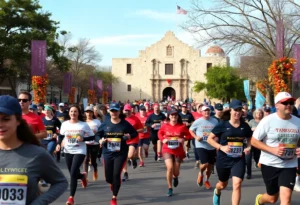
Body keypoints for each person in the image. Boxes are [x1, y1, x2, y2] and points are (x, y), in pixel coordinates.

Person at [0, 95, 68, 204]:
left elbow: (60, 182)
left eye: (6, 119)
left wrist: (39, 203)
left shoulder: (37, 154)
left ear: (18, 121)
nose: (1, 124)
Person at [251, 92, 300, 205]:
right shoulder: (268, 121)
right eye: (285, 103)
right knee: (272, 198)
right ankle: (260, 200)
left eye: (291, 102)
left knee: (286, 199)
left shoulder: (298, 122)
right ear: (277, 105)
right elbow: (254, 141)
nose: (288, 105)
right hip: (270, 164)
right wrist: (272, 150)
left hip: (289, 165)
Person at [207, 100, 252, 205]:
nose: (237, 112)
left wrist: (248, 147)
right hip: (223, 159)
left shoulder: (245, 126)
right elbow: (210, 139)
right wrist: (221, 147)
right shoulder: (222, 125)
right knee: (223, 184)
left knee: (237, 184)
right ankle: (217, 191)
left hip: (238, 159)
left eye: (239, 110)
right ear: (230, 111)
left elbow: (250, 138)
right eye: (235, 110)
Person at [96, 103, 138, 205]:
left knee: (116, 174)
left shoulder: (124, 124)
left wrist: (128, 137)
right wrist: (100, 140)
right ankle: (113, 184)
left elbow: (135, 133)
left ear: (119, 112)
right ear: (109, 112)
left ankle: (114, 197)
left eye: (116, 111)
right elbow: (97, 135)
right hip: (107, 152)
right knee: (108, 178)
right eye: (112, 111)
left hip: (121, 152)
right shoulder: (105, 123)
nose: (114, 113)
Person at [56, 105, 95, 205]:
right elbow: (61, 136)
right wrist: (58, 144)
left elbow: (92, 137)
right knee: (73, 173)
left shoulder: (83, 125)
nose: (73, 113)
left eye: (75, 111)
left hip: (80, 151)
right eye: (71, 111)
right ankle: (82, 176)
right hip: (68, 150)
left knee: (73, 172)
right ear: (69, 113)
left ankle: (71, 198)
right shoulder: (64, 124)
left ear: (78, 113)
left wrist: (83, 139)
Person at [158, 108, 192, 196]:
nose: (174, 117)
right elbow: (160, 133)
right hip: (167, 149)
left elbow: (189, 135)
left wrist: (183, 139)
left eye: (175, 115)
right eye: (172, 115)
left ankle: (175, 177)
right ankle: (170, 187)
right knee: (169, 168)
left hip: (178, 150)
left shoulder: (182, 126)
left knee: (176, 172)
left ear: (177, 116)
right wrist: (163, 139)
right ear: (169, 116)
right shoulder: (165, 126)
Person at [190, 106, 218, 190]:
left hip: (211, 145)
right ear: (201, 112)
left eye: (208, 111)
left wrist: (216, 138)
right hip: (201, 145)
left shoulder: (215, 121)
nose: (207, 112)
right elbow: (191, 130)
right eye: (205, 111)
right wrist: (196, 137)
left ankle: (206, 180)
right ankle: (201, 173)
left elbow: (218, 132)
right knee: (205, 163)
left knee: (210, 166)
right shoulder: (198, 121)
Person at [122, 104, 143, 181]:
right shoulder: (121, 119)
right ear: (123, 111)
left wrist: (132, 132)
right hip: (123, 140)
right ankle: (125, 173)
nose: (127, 112)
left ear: (131, 110)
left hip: (133, 139)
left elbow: (141, 129)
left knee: (130, 155)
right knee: (124, 157)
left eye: (128, 110)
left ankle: (133, 159)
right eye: (125, 110)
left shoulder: (135, 119)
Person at [83, 106, 101, 181]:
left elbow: (101, 131)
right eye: (87, 112)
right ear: (85, 113)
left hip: (95, 143)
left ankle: (95, 170)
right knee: (86, 159)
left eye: (90, 112)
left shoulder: (97, 121)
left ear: (92, 113)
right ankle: (85, 177)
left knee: (93, 161)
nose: (88, 114)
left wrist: (98, 136)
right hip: (85, 143)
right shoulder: (83, 122)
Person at [246, 109, 263, 178]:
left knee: (257, 157)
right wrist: (251, 129)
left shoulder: (264, 121)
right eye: (257, 113)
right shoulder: (251, 122)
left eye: (260, 113)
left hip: (260, 142)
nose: (259, 114)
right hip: (251, 141)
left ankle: (257, 163)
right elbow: (247, 130)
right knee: (248, 158)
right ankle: (249, 173)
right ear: (254, 114)